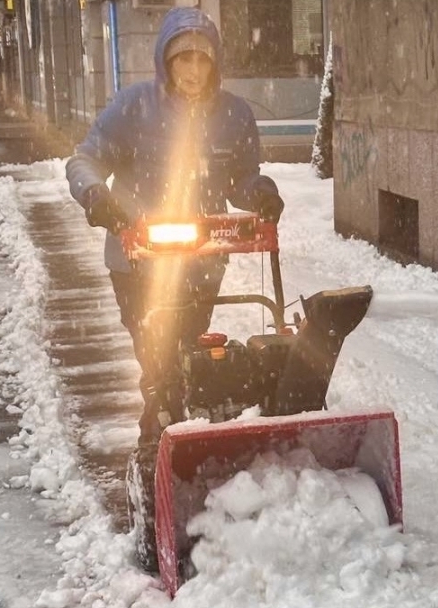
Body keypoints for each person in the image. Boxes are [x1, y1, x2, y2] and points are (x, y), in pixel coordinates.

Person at [65, 7, 284, 449]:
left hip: (202, 259)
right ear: (166, 60)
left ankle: (181, 434)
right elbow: (85, 159)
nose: (193, 69)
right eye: (184, 58)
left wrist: (260, 192)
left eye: (203, 59)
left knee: (187, 355)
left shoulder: (233, 115)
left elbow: (241, 177)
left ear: (215, 63)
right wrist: (97, 197)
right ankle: (159, 444)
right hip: (137, 261)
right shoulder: (133, 107)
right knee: (159, 359)